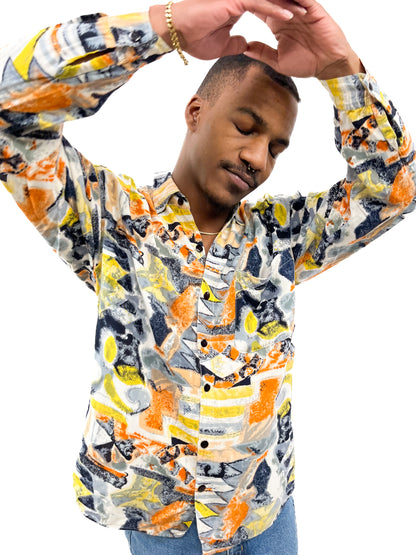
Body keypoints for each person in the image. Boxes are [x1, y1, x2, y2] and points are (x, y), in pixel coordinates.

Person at [0, 1, 415, 554]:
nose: (257, 157)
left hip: (264, 513)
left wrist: (342, 70)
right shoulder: (110, 218)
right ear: (196, 111)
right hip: (162, 523)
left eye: (276, 148)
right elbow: (13, 111)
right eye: (246, 127)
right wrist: (162, 28)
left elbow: (394, 188)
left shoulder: (284, 236)